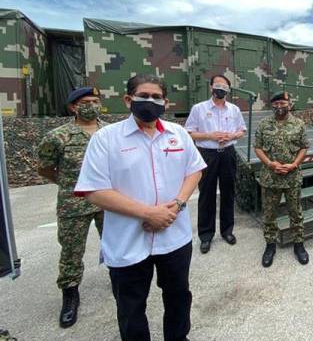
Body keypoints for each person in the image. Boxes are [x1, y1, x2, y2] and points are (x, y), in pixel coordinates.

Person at [74, 74, 205, 341]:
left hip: (174, 237)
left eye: (157, 97)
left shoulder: (177, 134)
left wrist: (178, 204)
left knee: (179, 296)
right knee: (131, 306)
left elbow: (195, 171)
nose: (150, 101)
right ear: (128, 99)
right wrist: (149, 213)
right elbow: (94, 190)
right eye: (143, 95)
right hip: (128, 241)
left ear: (165, 103)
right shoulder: (106, 139)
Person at [36, 86, 105, 328]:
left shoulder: (110, 132)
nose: (92, 105)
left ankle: (121, 282)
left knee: (116, 243)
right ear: (73, 107)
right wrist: (70, 184)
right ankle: (70, 294)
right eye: (86, 101)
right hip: (73, 204)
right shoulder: (58, 136)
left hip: (109, 200)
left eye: (95, 100)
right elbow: (44, 168)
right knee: (72, 252)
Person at [185, 75, 247, 253]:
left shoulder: (234, 109)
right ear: (211, 86)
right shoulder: (199, 108)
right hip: (207, 155)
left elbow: (241, 130)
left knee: (228, 192)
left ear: (228, 90)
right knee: (207, 194)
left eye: (225, 86)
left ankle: (227, 231)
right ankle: (206, 235)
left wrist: (231, 136)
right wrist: (210, 136)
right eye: (217, 85)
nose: (221, 88)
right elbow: (189, 132)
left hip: (228, 154)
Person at [254, 91, 310, 267]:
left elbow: (304, 147)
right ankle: (270, 246)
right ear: (272, 105)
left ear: (289, 104)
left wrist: (294, 164)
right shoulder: (264, 124)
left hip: (292, 177)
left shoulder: (299, 124)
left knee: (296, 212)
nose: (279, 106)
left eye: (283, 103)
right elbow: (258, 148)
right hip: (270, 177)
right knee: (269, 214)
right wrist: (270, 164)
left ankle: (299, 245)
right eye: (276, 103)